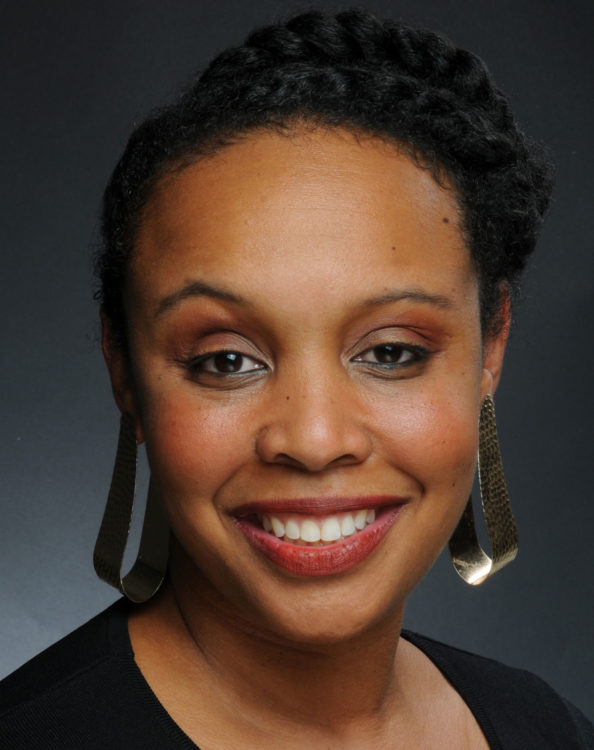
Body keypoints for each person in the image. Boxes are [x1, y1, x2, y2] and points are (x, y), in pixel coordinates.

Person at [1, 7, 592, 748]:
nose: (314, 440)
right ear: (121, 362)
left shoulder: (547, 728)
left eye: (391, 352)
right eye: (227, 360)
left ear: (491, 342)